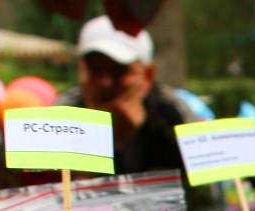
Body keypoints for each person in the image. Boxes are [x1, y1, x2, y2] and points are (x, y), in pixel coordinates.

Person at [56, 16, 195, 175]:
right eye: (95, 69)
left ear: (147, 75)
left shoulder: (173, 112)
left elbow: (203, 181)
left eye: (119, 70)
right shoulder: (62, 114)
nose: (105, 82)